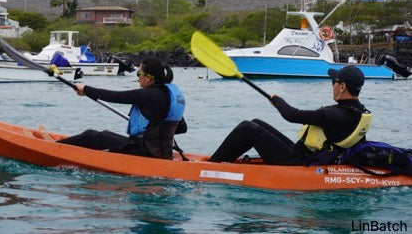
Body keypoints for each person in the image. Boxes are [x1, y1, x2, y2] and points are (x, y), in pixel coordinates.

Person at [209, 65, 371, 165]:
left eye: (333, 82)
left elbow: (292, 115)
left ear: (342, 87)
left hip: (300, 161)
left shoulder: (333, 114)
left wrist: (277, 100)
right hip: (305, 155)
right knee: (255, 122)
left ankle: (211, 165)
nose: (332, 86)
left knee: (247, 128)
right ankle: (226, 161)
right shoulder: (360, 112)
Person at [29, 57, 187, 159]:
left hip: (144, 153)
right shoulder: (169, 95)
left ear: (148, 77)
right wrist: (155, 131)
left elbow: (115, 96)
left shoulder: (149, 95)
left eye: (139, 73)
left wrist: (86, 89)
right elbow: (181, 128)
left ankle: (53, 149)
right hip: (162, 154)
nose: (137, 77)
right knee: (104, 135)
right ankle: (59, 146)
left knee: (91, 135)